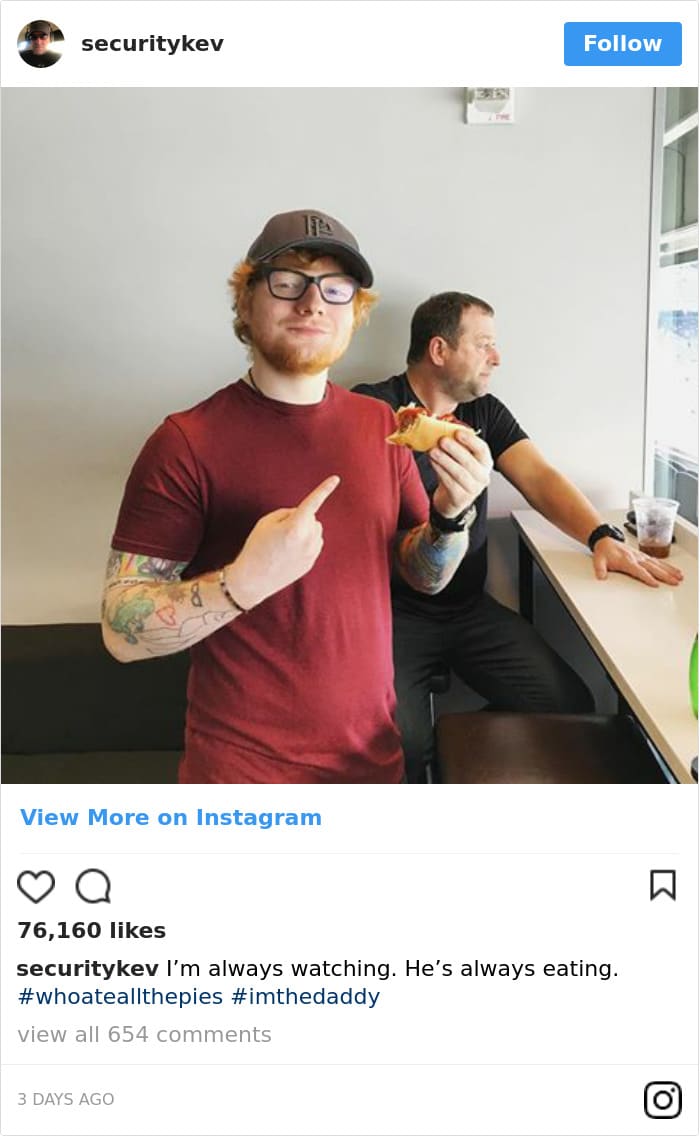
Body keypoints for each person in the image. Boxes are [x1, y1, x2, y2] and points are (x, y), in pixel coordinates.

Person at [101, 214, 492, 784]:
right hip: (243, 780)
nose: (313, 303)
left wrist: (450, 517)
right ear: (246, 301)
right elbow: (120, 632)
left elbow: (422, 575)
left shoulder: (381, 425)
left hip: (371, 762)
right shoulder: (186, 441)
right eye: (288, 282)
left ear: (354, 312)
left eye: (336, 289)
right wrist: (243, 582)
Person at [353, 292, 684, 782]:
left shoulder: (483, 413)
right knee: (400, 752)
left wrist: (600, 536)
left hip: (468, 610)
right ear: (439, 350)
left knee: (571, 705)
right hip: (392, 616)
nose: (497, 357)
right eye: (484, 343)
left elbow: (540, 478)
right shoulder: (371, 408)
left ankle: (454, 747)